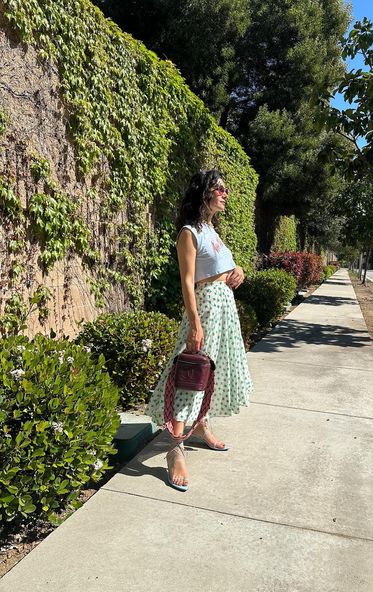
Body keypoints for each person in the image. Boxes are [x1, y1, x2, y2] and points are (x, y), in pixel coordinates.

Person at [145, 169, 253, 491]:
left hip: (224, 309)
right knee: (192, 373)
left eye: (226, 188)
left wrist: (238, 270)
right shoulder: (189, 232)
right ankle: (175, 445)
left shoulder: (212, 231)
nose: (225, 193)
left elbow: (221, 267)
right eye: (220, 188)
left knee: (212, 374)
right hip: (205, 308)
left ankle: (201, 425)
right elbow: (188, 283)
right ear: (204, 192)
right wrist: (195, 323)